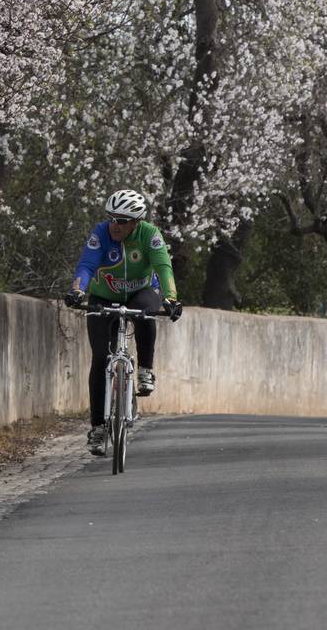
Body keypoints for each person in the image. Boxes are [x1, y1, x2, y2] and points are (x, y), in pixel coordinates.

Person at [65, 188, 183, 455]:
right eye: (112, 218)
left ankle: (145, 370)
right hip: (103, 295)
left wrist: (171, 298)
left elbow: (164, 267)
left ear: (136, 222)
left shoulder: (149, 235)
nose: (114, 225)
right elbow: (87, 264)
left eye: (122, 220)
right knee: (100, 359)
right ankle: (97, 428)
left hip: (140, 291)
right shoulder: (101, 232)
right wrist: (77, 290)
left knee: (145, 312)